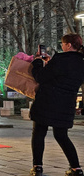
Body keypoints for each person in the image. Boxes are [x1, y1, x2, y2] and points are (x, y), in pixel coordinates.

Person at [30, 33, 84, 176]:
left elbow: (41, 77)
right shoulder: (81, 62)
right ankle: (76, 168)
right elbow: (63, 76)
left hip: (47, 102)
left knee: (39, 133)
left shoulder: (60, 59)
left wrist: (37, 62)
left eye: (62, 43)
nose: (61, 46)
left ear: (68, 45)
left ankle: (37, 167)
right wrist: (50, 63)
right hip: (66, 105)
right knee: (61, 135)